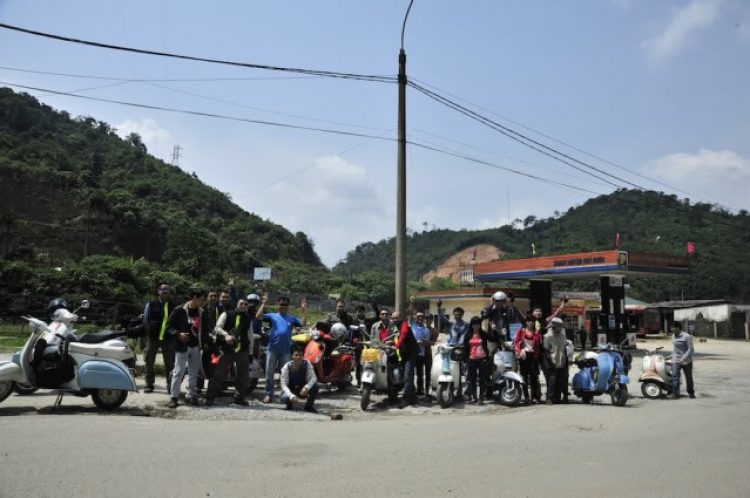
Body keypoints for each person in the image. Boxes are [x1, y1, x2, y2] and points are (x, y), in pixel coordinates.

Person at [205, 296, 260, 406]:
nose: (244, 306)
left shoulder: (248, 318)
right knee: (220, 374)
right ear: (237, 304)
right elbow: (217, 328)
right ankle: (210, 397)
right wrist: (226, 336)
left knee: (243, 376)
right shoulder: (227, 314)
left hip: (242, 350)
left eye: (246, 304)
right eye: (241, 303)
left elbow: (250, 336)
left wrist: (250, 353)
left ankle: (239, 398)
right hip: (227, 349)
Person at [256, 293, 307, 403]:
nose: (283, 306)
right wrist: (264, 304)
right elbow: (258, 316)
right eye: (281, 304)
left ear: (288, 306)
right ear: (278, 305)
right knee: (269, 373)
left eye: (285, 304)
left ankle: (284, 394)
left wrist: (303, 310)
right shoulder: (272, 316)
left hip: (286, 350)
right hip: (272, 349)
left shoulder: (291, 318)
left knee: (285, 374)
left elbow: (303, 324)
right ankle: (268, 394)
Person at [166, 289, 206, 408]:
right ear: (194, 297)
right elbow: (169, 326)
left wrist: (203, 342)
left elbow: (205, 328)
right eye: (202, 299)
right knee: (178, 372)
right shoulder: (179, 310)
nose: (203, 302)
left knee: (194, 372)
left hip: (196, 346)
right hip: (181, 346)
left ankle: (191, 395)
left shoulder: (202, 311)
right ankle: (174, 397)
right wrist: (178, 334)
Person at [143, 282, 175, 393]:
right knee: (149, 361)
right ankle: (149, 384)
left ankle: (170, 385)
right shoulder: (151, 304)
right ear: (158, 291)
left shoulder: (173, 305)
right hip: (153, 338)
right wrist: (149, 332)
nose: (165, 291)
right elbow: (146, 320)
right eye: (163, 289)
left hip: (168, 339)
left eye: (167, 289)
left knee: (170, 364)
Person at [280, 343, 319, 413]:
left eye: (300, 355)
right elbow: (283, 384)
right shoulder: (286, 367)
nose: (298, 357)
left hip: (302, 390)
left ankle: (309, 406)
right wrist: (291, 396)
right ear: (292, 356)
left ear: (303, 356)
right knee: (284, 398)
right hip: (291, 389)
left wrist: (307, 387)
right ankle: (289, 404)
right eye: (296, 355)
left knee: (315, 386)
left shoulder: (307, 363)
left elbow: (314, 378)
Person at [391, 310, 418, 408]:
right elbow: (397, 338)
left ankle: (405, 399)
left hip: (411, 354)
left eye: (396, 318)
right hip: (404, 354)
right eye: (393, 318)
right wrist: (392, 343)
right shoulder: (395, 326)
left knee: (407, 376)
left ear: (400, 317)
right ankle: (413, 398)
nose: (394, 320)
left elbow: (403, 335)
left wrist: (397, 345)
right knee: (407, 376)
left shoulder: (404, 325)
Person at [514, 313, 543, 404]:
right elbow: (515, 343)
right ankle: (526, 397)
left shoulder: (536, 332)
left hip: (533, 356)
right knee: (524, 377)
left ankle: (534, 397)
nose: (530, 323)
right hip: (524, 355)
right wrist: (519, 352)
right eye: (529, 321)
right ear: (526, 322)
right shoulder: (521, 330)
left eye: (532, 321)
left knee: (534, 377)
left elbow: (538, 344)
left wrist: (538, 333)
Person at [409, 299, 432, 398]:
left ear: (424, 319)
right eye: (418, 316)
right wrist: (411, 303)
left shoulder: (426, 330)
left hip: (421, 353)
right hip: (412, 353)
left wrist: (424, 342)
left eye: (421, 317)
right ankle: (411, 389)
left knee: (420, 373)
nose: (419, 318)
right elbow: (410, 314)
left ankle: (420, 390)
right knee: (411, 372)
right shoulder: (413, 325)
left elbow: (428, 342)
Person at [464, 317, 490, 404]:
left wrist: (494, 329)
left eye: (478, 324)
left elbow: (494, 338)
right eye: (474, 324)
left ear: (480, 325)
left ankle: (481, 397)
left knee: (482, 379)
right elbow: (465, 348)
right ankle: (474, 397)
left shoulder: (483, 334)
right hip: (472, 359)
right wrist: (466, 359)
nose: (476, 326)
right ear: (471, 325)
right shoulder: (467, 335)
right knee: (472, 379)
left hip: (482, 359)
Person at [543, 317, 569, 404]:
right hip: (551, 362)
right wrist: (550, 361)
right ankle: (549, 398)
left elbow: (564, 349)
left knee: (559, 380)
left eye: (561, 326)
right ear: (554, 326)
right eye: (559, 326)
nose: (560, 328)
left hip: (561, 361)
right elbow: (546, 351)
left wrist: (566, 360)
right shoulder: (547, 336)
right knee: (552, 380)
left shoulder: (563, 336)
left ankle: (557, 398)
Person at [667, 322, 695, 399]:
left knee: (688, 378)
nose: (671, 329)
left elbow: (691, 349)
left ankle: (691, 392)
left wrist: (683, 359)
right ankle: (675, 394)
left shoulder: (687, 336)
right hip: (676, 359)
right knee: (674, 376)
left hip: (686, 361)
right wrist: (670, 356)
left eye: (673, 327)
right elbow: (676, 349)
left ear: (678, 328)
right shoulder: (673, 336)